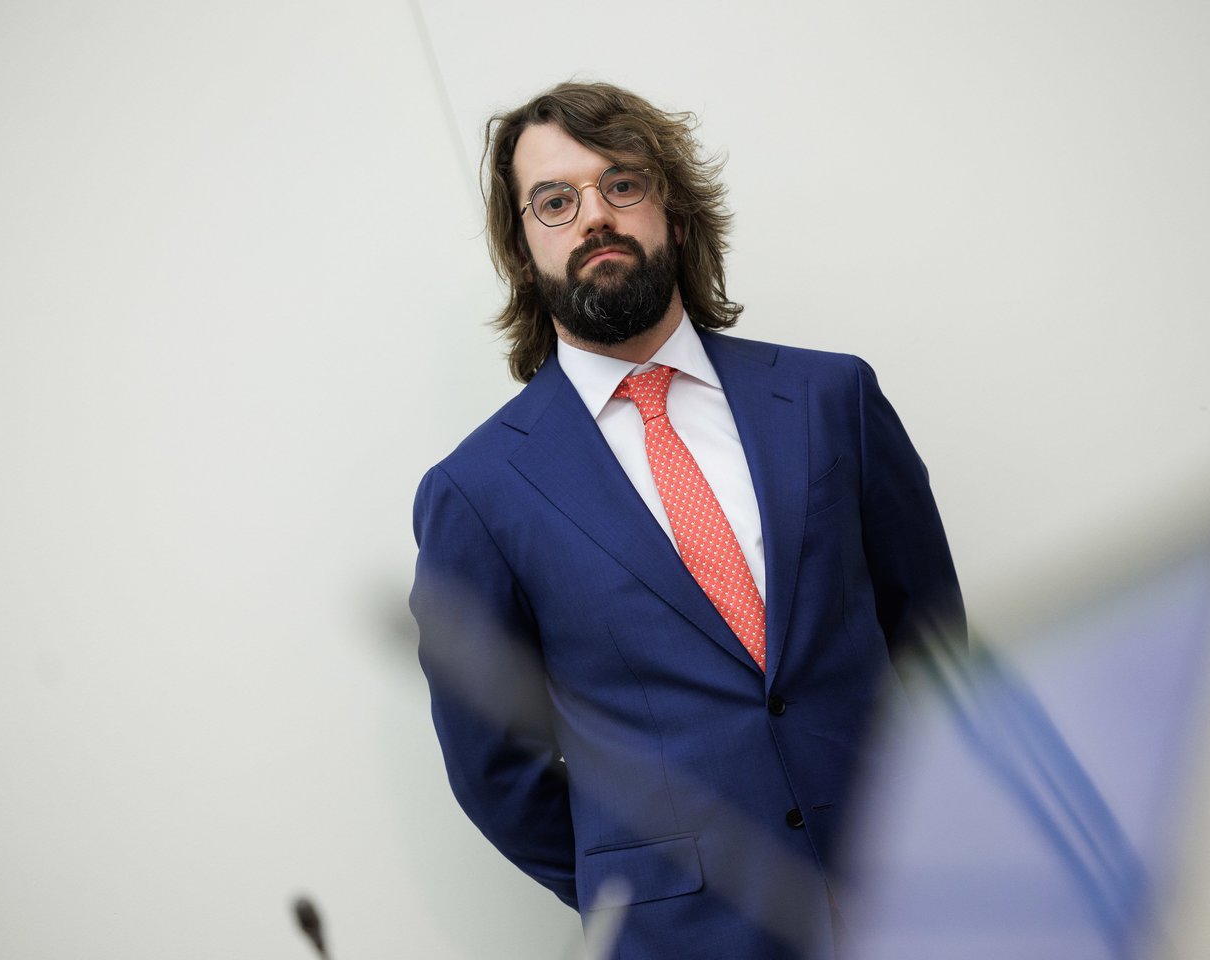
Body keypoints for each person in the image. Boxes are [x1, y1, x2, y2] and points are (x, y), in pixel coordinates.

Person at [409, 80, 964, 960]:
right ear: (522, 244)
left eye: (622, 183)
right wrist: (642, 884)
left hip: (914, 899)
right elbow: (494, 768)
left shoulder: (831, 399)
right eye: (555, 201)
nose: (595, 216)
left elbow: (931, 642)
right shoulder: (477, 494)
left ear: (671, 208)